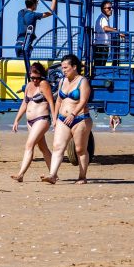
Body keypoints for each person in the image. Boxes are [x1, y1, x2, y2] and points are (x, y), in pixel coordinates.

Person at [42, 54, 93, 184]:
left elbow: (83, 101)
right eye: (62, 68)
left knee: (80, 150)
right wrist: (54, 117)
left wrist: (73, 114)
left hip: (80, 119)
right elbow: (58, 100)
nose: (63, 70)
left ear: (74, 67)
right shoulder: (62, 81)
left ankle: (82, 176)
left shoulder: (83, 81)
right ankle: (52, 175)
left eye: (66, 68)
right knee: (58, 146)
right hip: (62, 119)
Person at [10, 62, 54, 182]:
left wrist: (54, 119)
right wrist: (16, 120)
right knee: (43, 148)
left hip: (42, 119)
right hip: (30, 121)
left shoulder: (44, 84)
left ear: (41, 75)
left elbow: (51, 102)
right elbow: (25, 103)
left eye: (37, 77)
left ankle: (21, 174)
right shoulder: (29, 85)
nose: (35, 80)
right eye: (32, 77)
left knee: (29, 145)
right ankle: (53, 175)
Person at [93, 0, 125, 68]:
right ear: (103, 9)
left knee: (100, 65)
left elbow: (105, 28)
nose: (111, 10)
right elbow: (105, 28)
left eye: (111, 8)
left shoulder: (103, 18)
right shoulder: (103, 18)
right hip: (101, 46)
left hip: (102, 45)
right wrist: (117, 32)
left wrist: (112, 29)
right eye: (109, 8)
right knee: (100, 65)